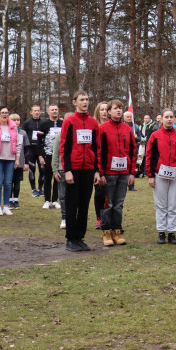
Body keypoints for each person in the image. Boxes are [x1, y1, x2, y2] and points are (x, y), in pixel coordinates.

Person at [60, 91, 100, 252]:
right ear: (74, 102)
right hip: (74, 169)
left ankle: (80, 237)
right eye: (82, 100)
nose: (85, 102)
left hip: (88, 169)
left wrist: (97, 171)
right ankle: (71, 238)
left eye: (87, 99)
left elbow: (96, 148)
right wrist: (67, 170)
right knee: (72, 204)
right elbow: (65, 147)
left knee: (84, 204)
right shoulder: (69, 121)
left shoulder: (93, 123)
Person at [97, 99, 137, 246]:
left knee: (119, 204)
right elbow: (99, 151)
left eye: (120, 108)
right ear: (108, 112)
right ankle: (106, 232)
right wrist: (101, 173)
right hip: (108, 172)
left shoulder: (127, 129)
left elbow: (132, 151)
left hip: (123, 172)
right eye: (115, 108)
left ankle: (117, 230)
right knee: (108, 203)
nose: (119, 111)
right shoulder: (102, 128)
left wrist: (132, 172)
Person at [147, 109, 176, 244]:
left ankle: (171, 232)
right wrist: (150, 175)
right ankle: (161, 232)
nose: (169, 119)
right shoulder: (155, 136)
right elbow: (150, 156)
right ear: (162, 119)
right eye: (167, 117)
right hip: (160, 174)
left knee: (172, 205)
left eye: (171, 117)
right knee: (161, 205)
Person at [38, 104, 64, 209]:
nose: (54, 111)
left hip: (59, 156)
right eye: (52, 110)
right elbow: (39, 142)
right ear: (48, 112)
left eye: (56, 110)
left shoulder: (63, 123)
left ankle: (55, 200)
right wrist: (40, 156)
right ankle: (47, 200)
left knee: (58, 177)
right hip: (47, 155)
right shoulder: (43, 124)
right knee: (47, 178)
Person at [91, 102, 109, 226]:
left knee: (109, 193)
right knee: (99, 192)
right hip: (96, 164)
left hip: (110, 164)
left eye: (106, 109)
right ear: (98, 112)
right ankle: (99, 218)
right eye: (101, 109)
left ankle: (109, 217)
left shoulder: (113, 126)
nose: (104, 112)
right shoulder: (94, 126)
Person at [22, 105, 45, 198]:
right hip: (31, 150)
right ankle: (33, 189)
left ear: (40, 112)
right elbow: (24, 136)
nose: (36, 112)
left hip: (41, 150)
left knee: (42, 170)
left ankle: (40, 189)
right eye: (35, 111)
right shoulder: (27, 123)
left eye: (38, 111)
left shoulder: (44, 123)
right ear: (31, 112)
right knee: (32, 170)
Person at [10, 113, 30, 209]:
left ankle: (16, 200)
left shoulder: (23, 133)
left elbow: (26, 149)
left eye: (18, 120)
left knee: (17, 181)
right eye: (14, 120)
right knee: (9, 181)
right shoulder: (6, 132)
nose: (16, 122)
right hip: (9, 161)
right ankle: (9, 200)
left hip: (20, 162)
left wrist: (26, 162)